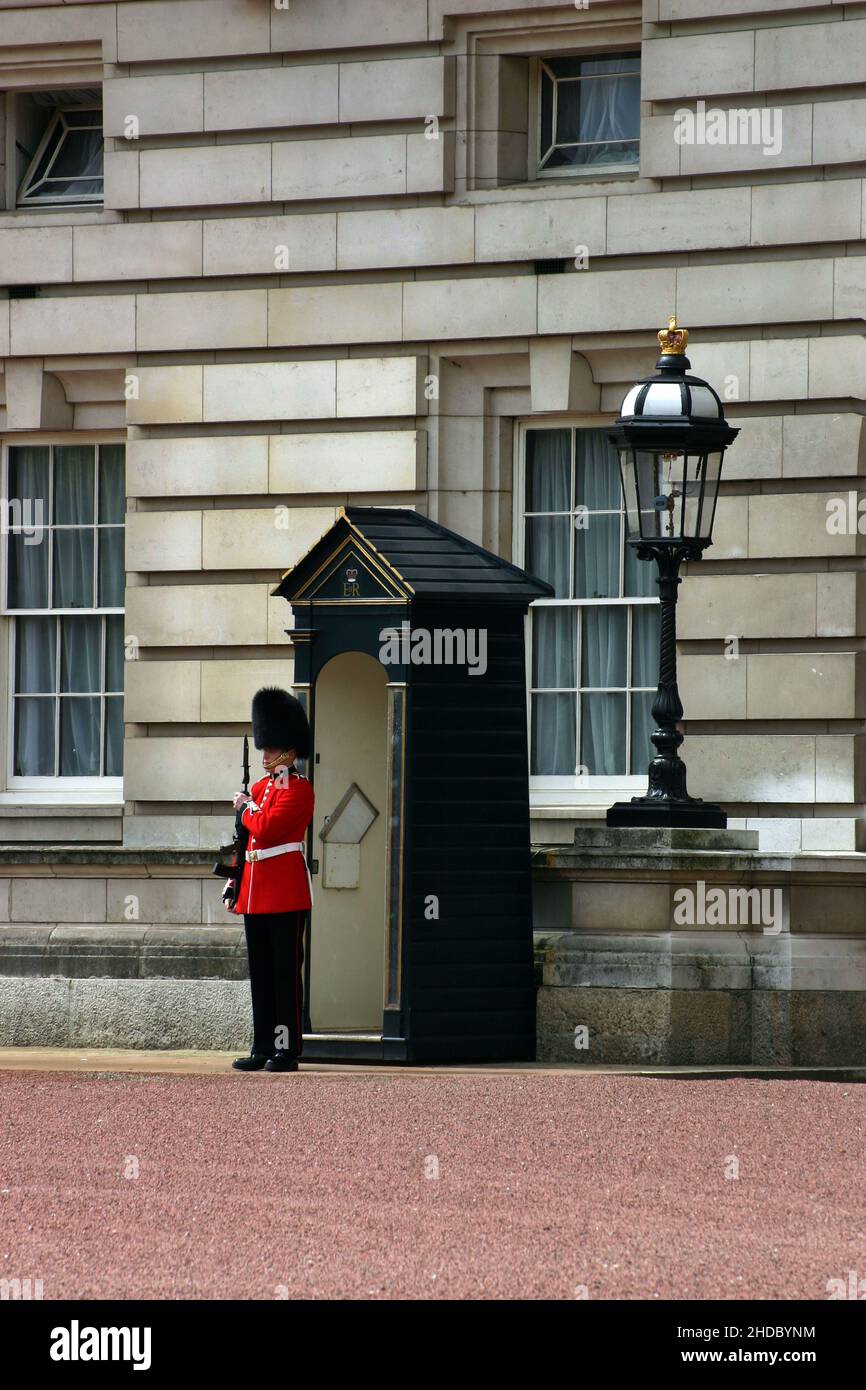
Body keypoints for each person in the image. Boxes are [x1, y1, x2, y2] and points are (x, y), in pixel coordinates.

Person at [229, 686, 314, 1073]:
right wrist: (235, 882)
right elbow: (248, 840)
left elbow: (267, 826)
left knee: (283, 974)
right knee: (261, 974)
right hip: (256, 891)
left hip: (284, 893)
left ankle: (286, 1048)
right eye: (264, 747)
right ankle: (262, 1046)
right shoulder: (264, 788)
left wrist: (246, 809)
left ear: (290, 751)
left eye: (271, 747)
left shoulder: (299, 791)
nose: (265, 755)